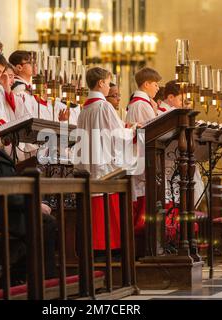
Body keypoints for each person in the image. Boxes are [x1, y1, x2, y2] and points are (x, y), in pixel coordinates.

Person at [0, 118, 57, 283]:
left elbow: (15, 184)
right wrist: (33, 205)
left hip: (11, 210)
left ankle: (34, 277)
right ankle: (30, 277)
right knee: (46, 224)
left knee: (48, 222)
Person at [74, 67, 133, 252]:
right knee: (106, 209)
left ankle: (97, 248)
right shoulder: (103, 106)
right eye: (108, 83)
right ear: (100, 83)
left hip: (88, 163)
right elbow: (118, 134)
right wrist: (134, 131)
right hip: (105, 165)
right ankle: (109, 248)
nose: (109, 87)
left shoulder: (86, 108)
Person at [125, 67, 162, 233]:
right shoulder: (140, 104)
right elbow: (153, 131)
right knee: (142, 203)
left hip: (141, 156)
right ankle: (144, 242)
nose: (158, 88)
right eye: (155, 84)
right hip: (142, 157)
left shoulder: (142, 103)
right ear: (146, 84)